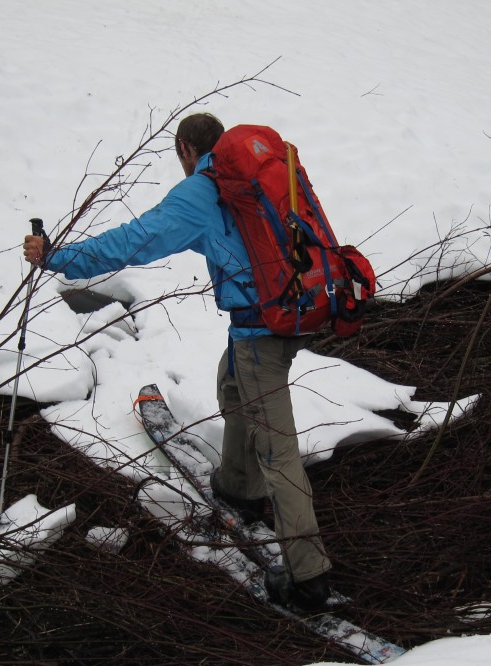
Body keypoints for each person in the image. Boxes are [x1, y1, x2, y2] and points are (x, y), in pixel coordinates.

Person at [22, 113, 332, 610]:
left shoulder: (202, 193)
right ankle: (237, 486)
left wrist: (58, 256)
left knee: (278, 450)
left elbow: (131, 242)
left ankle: (308, 574)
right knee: (232, 387)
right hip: (296, 308)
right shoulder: (252, 180)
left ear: (187, 149)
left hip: (264, 327)